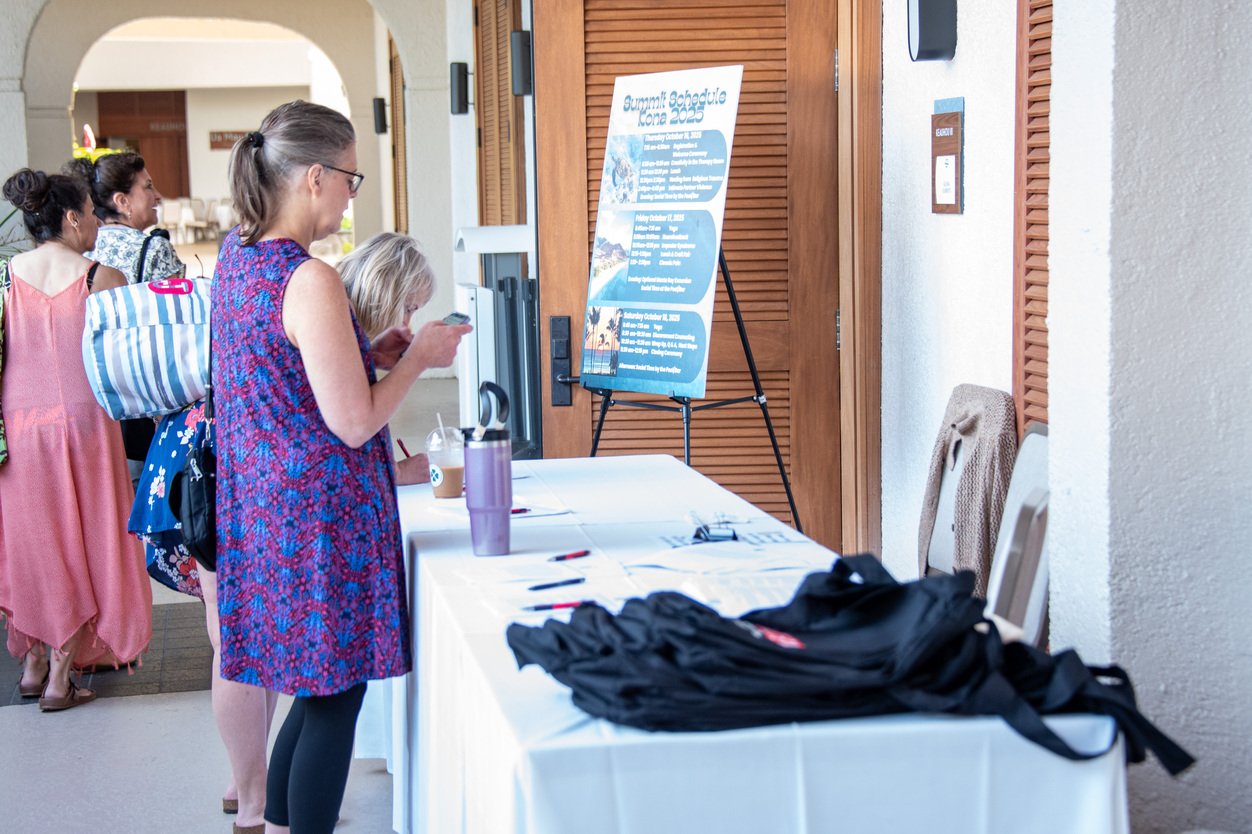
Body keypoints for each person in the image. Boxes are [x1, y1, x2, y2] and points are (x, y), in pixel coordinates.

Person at [214, 101, 470, 834]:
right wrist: (418, 359)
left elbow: (285, 372)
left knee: (316, 690)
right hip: (321, 520)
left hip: (264, 509)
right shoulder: (310, 279)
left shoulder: (239, 258)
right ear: (315, 176)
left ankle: (274, 821)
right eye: (351, 179)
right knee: (335, 697)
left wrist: (368, 355)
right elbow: (354, 422)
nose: (352, 196)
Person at [0, 168, 152, 711]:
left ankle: (33, 663)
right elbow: (129, 361)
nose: (94, 223)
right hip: (87, 425)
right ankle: (61, 677)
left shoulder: (5, 277)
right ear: (70, 217)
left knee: (36, 543)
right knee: (86, 539)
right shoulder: (102, 277)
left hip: (18, 429)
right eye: (89, 213)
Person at [64, 153, 186, 501]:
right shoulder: (154, 249)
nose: (157, 195)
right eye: (147, 187)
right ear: (122, 201)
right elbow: (175, 333)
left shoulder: (79, 249)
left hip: (92, 404)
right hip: (144, 413)